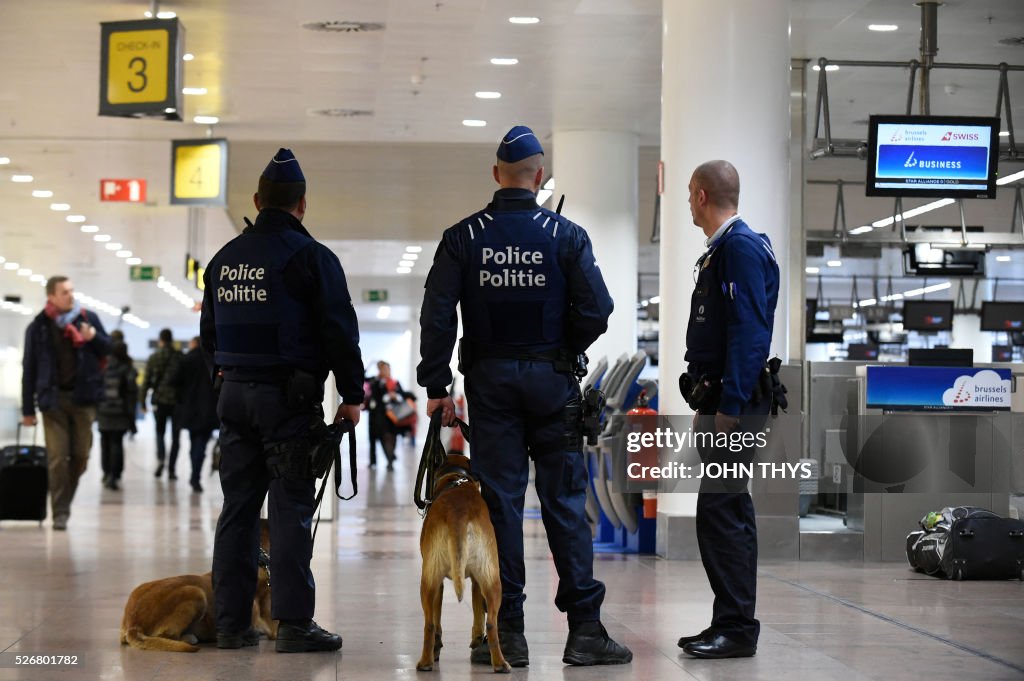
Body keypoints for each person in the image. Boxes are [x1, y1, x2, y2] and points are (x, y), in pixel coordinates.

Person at [417, 125, 632, 667]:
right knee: (564, 505)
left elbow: (438, 316)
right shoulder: (566, 236)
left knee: (502, 507)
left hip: (490, 387)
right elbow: (598, 310)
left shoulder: (462, 238)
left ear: (497, 176)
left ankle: (506, 630)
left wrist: (438, 386)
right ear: (539, 177)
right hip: (552, 384)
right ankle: (584, 630)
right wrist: (565, 347)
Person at [200, 148, 364, 653]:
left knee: (238, 510)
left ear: (257, 200)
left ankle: (230, 624)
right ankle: (293, 624)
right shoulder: (311, 258)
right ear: (303, 204)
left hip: (234, 397)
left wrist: (223, 384)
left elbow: (207, 336)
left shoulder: (224, 259)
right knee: (290, 509)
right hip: (287, 402)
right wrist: (353, 395)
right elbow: (339, 332)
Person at [676, 160, 779, 659]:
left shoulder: (737, 247)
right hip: (722, 397)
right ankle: (730, 620)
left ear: (700, 196)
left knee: (722, 511)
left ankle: (736, 628)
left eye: (687, 194)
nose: (687, 204)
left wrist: (730, 403)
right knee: (727, 509)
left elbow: (749, 332)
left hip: (734, 402)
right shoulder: (731, 248)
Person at [21, 275, 112, 529]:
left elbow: (109, 349)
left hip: (84, 399)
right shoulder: (38, 327)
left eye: (72, 290)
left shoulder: (88, 318)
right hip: (53, 400)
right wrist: (28, 409)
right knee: (58, 458)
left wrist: (92, 337)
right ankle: (60, 512)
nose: (70, 295)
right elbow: (29, 368)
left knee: (81, 456)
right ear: (51, 296)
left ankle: (64, 499)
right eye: (64, 292)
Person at [174, 337, 219, 493]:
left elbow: (175, 381)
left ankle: (195, 475)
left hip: (190, 408)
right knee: (202, 443)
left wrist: (181, 400)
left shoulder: (186, 359)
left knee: (195, 442)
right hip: (208, 408)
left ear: (193, 344)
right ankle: (195, 476)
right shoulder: (213, 359)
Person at [141, 328, 182, 479]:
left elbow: (146, 382)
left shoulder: (154, 357)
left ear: (161, 340)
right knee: (176, 436)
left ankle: (161, 460)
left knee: (160, 433)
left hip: (160, 401)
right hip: (177, 402)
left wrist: (142, 402)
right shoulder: (179, 357)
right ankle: (172, 469)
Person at [97, 341, 138, 491]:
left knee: (104, 443)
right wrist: (131, 417)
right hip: (120, 412)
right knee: (116, 443)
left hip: (103, 411)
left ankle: (106, 472)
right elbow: (131, 394)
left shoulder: (104, 366)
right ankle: (114, 475)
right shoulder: (127, 368)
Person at [364, 360, 404, 470]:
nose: (384, 371)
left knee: (389, 438)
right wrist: (370, 365)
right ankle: (375, 462)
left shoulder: (395, 383)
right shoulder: (375, 381)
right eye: (382, 369)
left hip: (390, 417)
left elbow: (403, 396)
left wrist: (395, 396)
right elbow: (363, 378)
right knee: (375, 438)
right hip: (375, 415)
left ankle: (390, 459)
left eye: (386, 369)